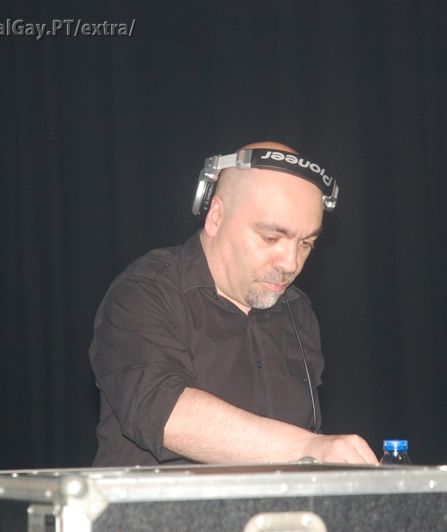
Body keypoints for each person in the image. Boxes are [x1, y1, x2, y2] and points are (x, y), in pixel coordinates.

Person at [89, 141, 377, 467]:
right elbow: (168, 415)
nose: (291, 263)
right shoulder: (144, 291)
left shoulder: (298, 311)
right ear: (216, 216)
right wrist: (311, 448)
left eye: (306, 243)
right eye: (271, 238)